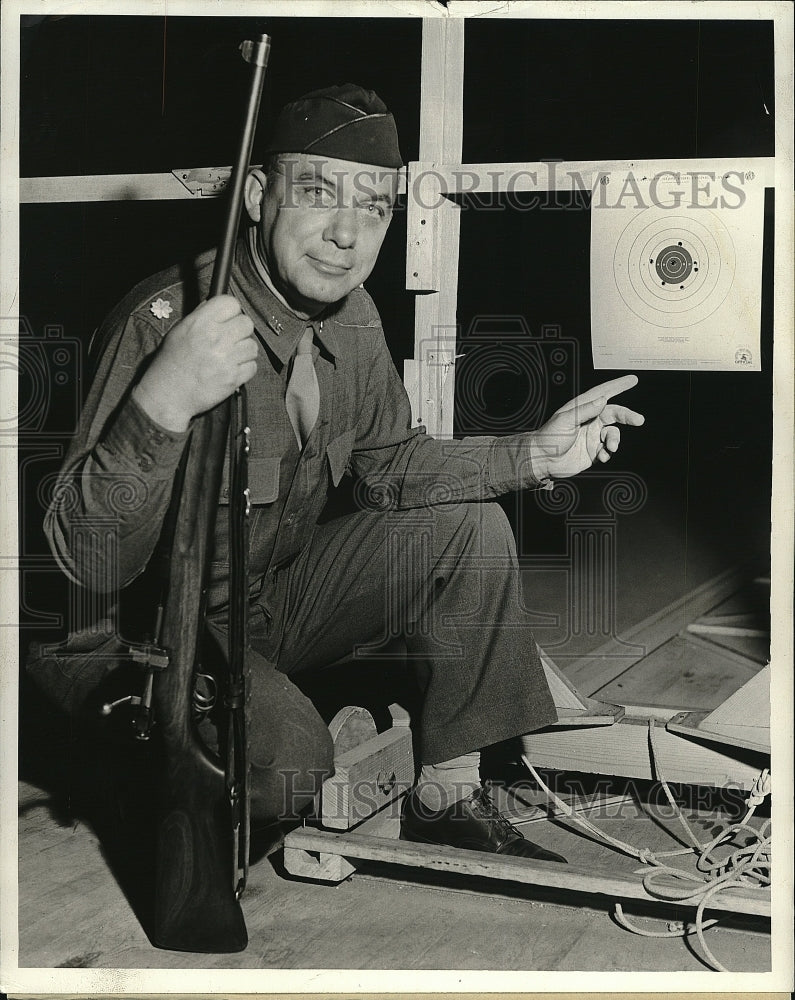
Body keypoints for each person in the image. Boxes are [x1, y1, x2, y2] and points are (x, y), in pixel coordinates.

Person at [41, 84, 644, 862]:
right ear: (258, 197)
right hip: (147, 637)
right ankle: (126, 761)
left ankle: (445, 795)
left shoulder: (351, 315)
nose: (346, 234)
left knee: (467, 526)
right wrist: (160, 402)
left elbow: (392, 465)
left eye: (375, 207)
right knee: (285, 769)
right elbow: (88, 561)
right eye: (318, 194)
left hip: (265, 602)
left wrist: (532, 454)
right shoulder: (166, 322)